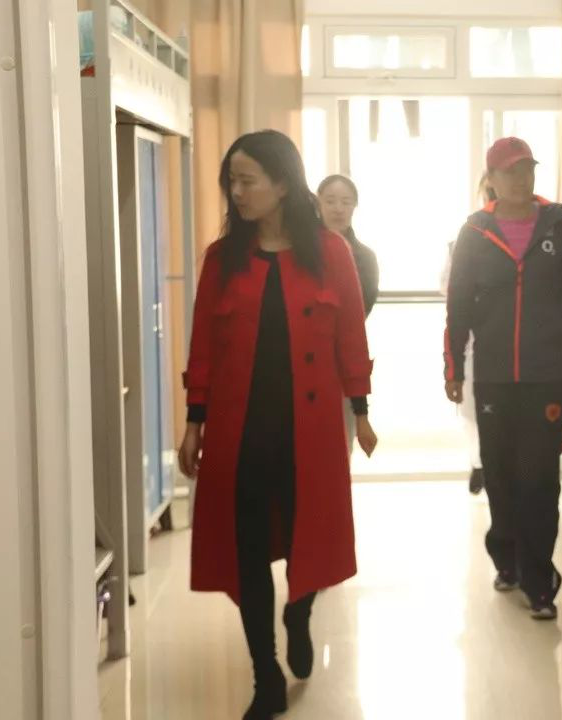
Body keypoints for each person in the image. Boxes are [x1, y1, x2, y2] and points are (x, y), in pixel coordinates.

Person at [178, 130, 375, 720]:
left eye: (248, 181)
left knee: (306, 540)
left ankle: (299, 612)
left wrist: (362, 410)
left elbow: (350, 337)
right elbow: (204, 347)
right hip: (239, 436)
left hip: (308, 435)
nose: (237, 193)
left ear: (283, 184)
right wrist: (194, 421)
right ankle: (265, 673)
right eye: (231, 182)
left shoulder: (330, 253)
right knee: (247, 556)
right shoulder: (222, 260)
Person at [443, 137, 562, 620]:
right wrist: (454, 368)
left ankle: (539, 582)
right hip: (493, 377)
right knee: (501, 474)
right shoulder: (475, 233)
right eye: (510, 172)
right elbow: (458, 306)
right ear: (491, 179)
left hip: (546, 378)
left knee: (540, 478)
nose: (521, 179)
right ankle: (505, 556)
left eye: (527, 169)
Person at [317, 174, 380, 457]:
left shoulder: (365, 257)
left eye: (346, 202)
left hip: (343, 357)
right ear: (318, 203)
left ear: (355, 206)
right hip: (302, 353)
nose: (338, 209)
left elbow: (360, 309)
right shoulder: (300, 251)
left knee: (340, 448)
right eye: (330, 201)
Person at [441, 173, 496, 495]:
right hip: (474, 341)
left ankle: (489, 465)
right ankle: (478, 463)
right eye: (488, 191)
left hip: (510, 346)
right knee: (473, 411)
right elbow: (449, 290)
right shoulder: (467, 238)